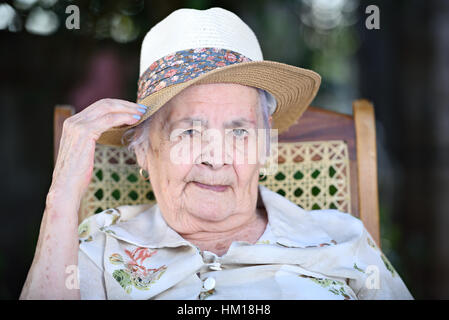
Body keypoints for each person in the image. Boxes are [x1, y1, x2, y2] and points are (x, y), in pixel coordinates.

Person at [20, 7, 413, 300]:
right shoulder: (96, 247)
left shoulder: (342, 238)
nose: (216, 157)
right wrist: (61, 199)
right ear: (141, 150)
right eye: (189, 131)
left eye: (239, 132)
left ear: (264, 148)